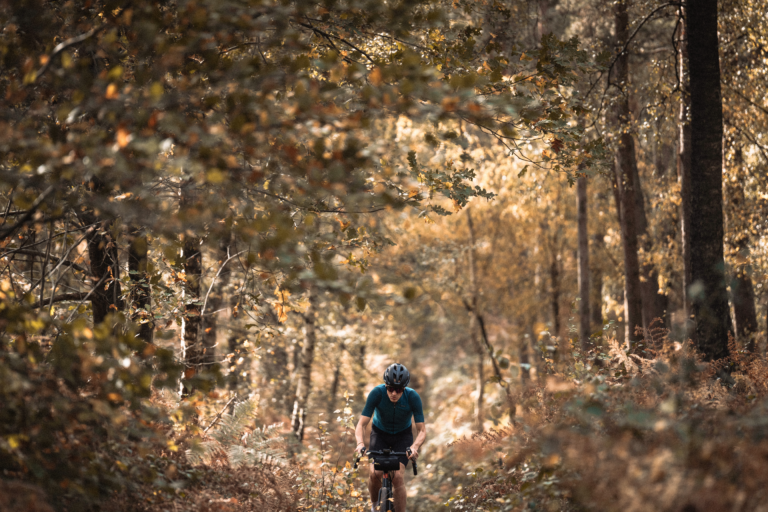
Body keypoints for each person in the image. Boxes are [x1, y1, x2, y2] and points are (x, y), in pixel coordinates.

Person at [355, 363, 426, 512]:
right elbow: (361, 424)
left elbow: (422, 430)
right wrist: (360, 443)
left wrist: (414, 447)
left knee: (398, 477)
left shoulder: (412, 397)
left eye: (398, 389)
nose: (394, 393)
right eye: (390, 388)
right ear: (386, 386)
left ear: (404, 389)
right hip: (379, 434)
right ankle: (375, 508)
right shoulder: (377, 393)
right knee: (375, 474)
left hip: (403, 436)